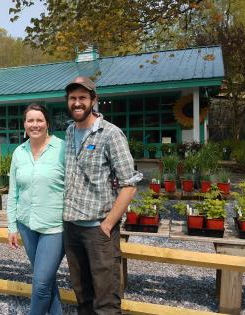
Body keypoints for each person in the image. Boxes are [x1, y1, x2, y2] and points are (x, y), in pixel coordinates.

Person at [63, 76, 142, 314]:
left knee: (105, 299)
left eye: (82, 98)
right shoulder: (69, 132)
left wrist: (107, 225)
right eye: (73, 98)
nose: (77, 103)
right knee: (82, 294)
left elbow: (130, 184)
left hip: (98, 229)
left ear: (94, 100)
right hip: (72, 226)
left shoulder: (111, 134)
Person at [7, 103, 65, 315]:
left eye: (39, 120)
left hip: (54, 227)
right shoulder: (19, 152)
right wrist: (12, 226)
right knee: (46, 280)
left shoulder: (63, 149)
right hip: (26, 224)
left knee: (40, 285)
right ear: (24, 124)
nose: (35, 124)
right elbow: (13, 191)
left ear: (47, 123)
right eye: (30, 120)